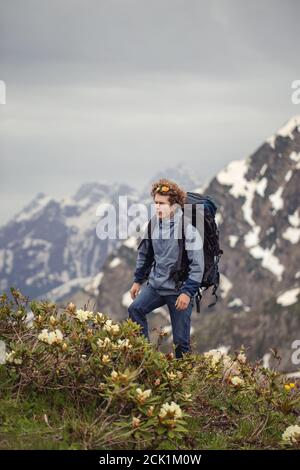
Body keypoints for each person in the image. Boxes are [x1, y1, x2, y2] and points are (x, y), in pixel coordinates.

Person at [128, 178, 204, 359]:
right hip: (156, 287)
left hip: (179, 291)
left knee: (181, 342)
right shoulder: (152, 225)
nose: (157, 207)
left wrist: (187, 292)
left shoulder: (188, 229)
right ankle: (144, 359)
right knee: (135, 310)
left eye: (162, 204)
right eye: (155, 203)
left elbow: (197, 266)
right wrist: (138, 281)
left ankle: (182, 381)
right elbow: (145, 255)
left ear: (174, 206)